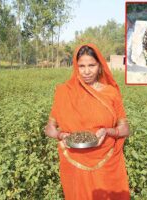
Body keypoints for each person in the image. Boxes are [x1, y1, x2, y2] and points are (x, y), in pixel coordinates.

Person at [45, 44, 130, 200]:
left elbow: (125, 129)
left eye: (91, 65)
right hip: (74, 162)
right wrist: (61, 135)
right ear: (76, 67)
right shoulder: (65, 91)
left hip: (106, 161)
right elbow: (49, 127)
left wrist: (108, 131)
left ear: (100, 66)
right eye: (81, 66)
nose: (86, 71)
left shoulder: (110, 93)